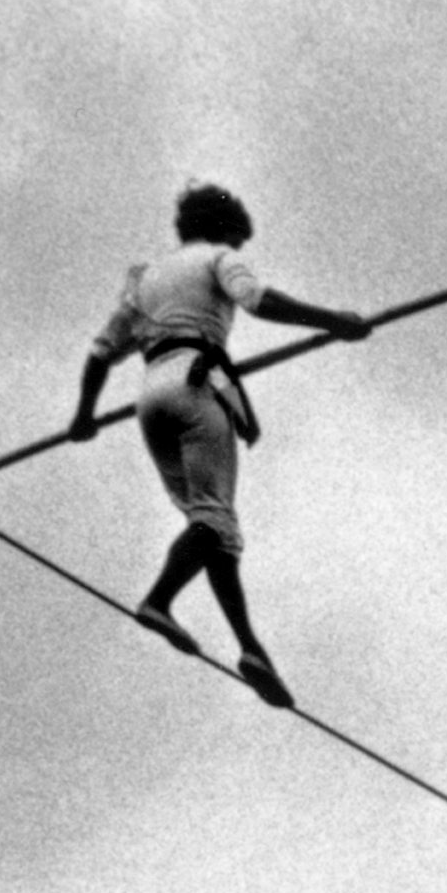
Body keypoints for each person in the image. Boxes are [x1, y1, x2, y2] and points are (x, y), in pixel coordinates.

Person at [68, 182, 373, 707]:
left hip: (150, 400)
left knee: (214, 529)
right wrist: (334, 321)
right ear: (224, 229)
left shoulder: (145, 281)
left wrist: (84, 417)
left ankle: (250, 647)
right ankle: (159, 599)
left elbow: (100, 353)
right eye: (239, 237)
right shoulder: (218, 258)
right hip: (194, 384)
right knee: (214, 523)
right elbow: (259, 301)